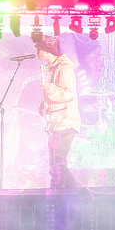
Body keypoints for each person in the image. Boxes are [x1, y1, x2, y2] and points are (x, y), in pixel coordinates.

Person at [35, 35, 81, 188]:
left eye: (39, 49)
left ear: (47, 51)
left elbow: (67, 94)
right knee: (56, 161)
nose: (36, 51)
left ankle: (69, 193)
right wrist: (45, 103)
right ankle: (64, 192)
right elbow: (59, 92)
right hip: (58, 122)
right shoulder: (55, 67)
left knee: (58, 162)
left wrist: (47, 87)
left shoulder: (64, 67)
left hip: (64, 122)